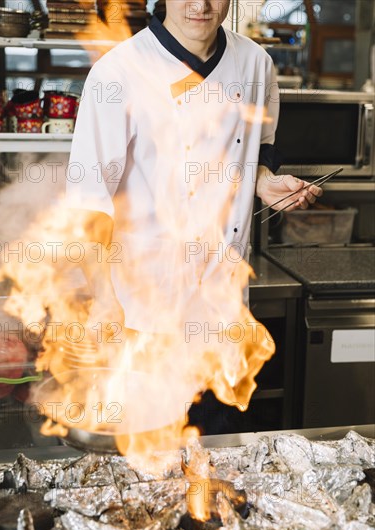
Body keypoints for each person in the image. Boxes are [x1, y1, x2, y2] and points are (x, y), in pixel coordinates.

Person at [66, 0, 322, 432]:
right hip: (145, 321)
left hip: (223, 316)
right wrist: (103, 304)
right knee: (150, 473)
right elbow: (89, 205)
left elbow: (252, 155)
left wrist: (262, 183)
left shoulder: (256, 64)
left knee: (217, 468)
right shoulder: (118, 73)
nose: (200, 5)